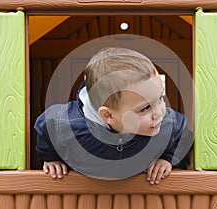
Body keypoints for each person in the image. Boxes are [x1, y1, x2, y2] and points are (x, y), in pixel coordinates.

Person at [34, 47, 193, 184]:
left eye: (160, 99)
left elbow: (182, 132)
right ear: (108, 115)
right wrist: (51, 157)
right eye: (145, 108)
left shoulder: (166, 122)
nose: (158, 113)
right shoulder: (68, 124)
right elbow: (45, 126)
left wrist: (167, 158)